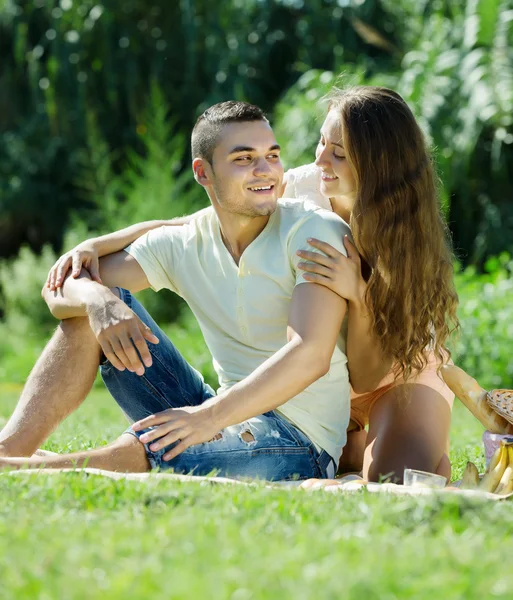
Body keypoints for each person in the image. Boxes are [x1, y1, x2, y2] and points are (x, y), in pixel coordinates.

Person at [43, 87, 459, 484]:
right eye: (321, 143)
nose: (321, 161)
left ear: (378, 165)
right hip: (313, 380)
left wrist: (360, 294)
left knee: (396, 478)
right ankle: (344, 444)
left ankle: (361, 445)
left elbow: (368, 373)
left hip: (392, 366)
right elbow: (200, 220)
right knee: (338, 448)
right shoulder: (303, 187)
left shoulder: (406, 243)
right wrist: (97, 245)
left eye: (339, 154)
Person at [0, 101, 357, 481]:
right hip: (217, 412)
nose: (265, 170)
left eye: (272, 155)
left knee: (157, 445)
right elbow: (60, 292)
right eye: (244, 159)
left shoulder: (313, 231)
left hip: (301, 442)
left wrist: (207, 418)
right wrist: (98, 301)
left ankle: (27, 470)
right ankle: (9, 451)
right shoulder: (187, 241)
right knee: (93, 313)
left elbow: (311, 354)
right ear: (203, 172)